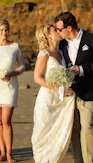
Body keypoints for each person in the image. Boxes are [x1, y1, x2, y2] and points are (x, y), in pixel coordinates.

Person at [55, 12, 93, 163]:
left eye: (60, 29)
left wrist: (82, 69)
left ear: (70, 27)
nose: (58, 32)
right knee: (75, 130)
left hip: (90, 90)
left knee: (88, 127)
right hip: (70, 93)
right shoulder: (62, 44)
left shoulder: (92, 40)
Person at [31, 24, 75, 163]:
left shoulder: (61, 53)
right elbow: (37, 78)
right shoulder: (44, 54)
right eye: (55, 30)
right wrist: (58, 89)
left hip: (61, 101)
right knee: (44, 134)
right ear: (48, 36)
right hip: (48, 100)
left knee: (58, 135)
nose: (58, 31)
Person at [0, 19, 25, 163]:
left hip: (10, 87)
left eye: (6, 30)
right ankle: (2, 154)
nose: (4, 32)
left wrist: (11, 74)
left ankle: (9, 154)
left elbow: (22, 66)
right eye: (1, 30)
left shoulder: (15, 46)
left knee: (6, 120)